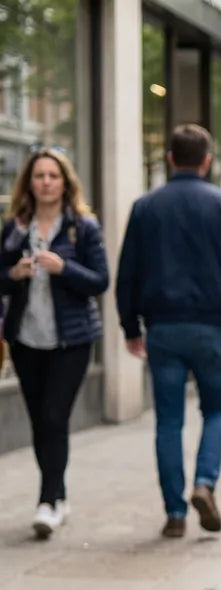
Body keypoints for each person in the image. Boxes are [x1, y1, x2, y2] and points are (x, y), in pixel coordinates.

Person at [116, 123, 221, 539]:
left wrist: (130, 325)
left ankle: (175, 512)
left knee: (168, 421)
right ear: (207, 160)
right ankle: (205, 482)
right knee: (216, 410)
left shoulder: (146, 207)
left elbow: (127, 272)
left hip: (162, 328)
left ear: (169, 159)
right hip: (214, 328)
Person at [0, 148, 109, 539]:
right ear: (29, 182)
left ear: (65, 182)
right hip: (27, 339)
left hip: (72, 340)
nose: (46, 182)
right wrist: (14, 272)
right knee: (39, 423)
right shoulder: (16, 228)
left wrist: (65, 268)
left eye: (53, 175)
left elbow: (100, 281)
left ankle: (46, 501)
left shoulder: (82, 228)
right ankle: (59, 494)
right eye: (39, 175)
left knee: (53, 417)